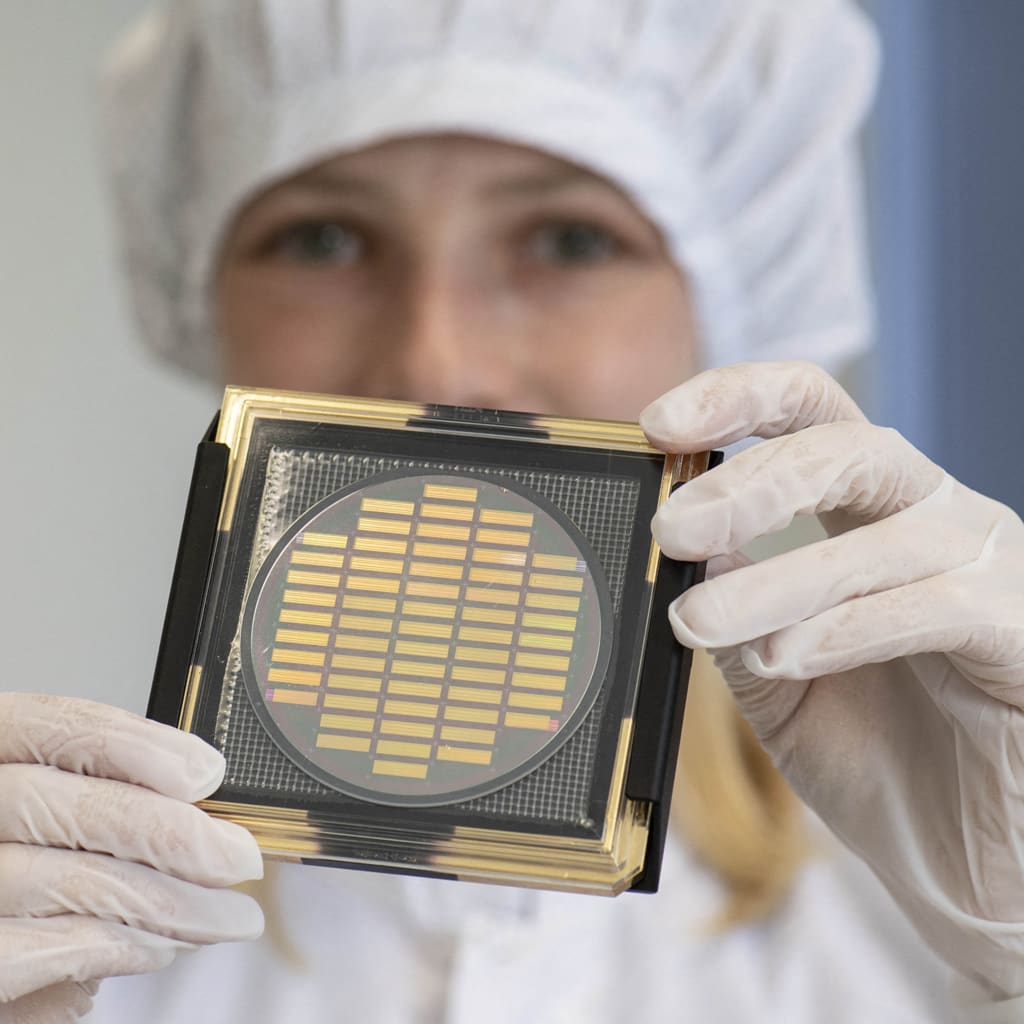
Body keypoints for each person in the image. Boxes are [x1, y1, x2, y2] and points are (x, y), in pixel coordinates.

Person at [2, 0, 1022, 1021]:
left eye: (571, 240)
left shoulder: (934, 935)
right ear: (206, 298)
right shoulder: (53, 936)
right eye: (321, 238)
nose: (434, 363)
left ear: (730, 317)